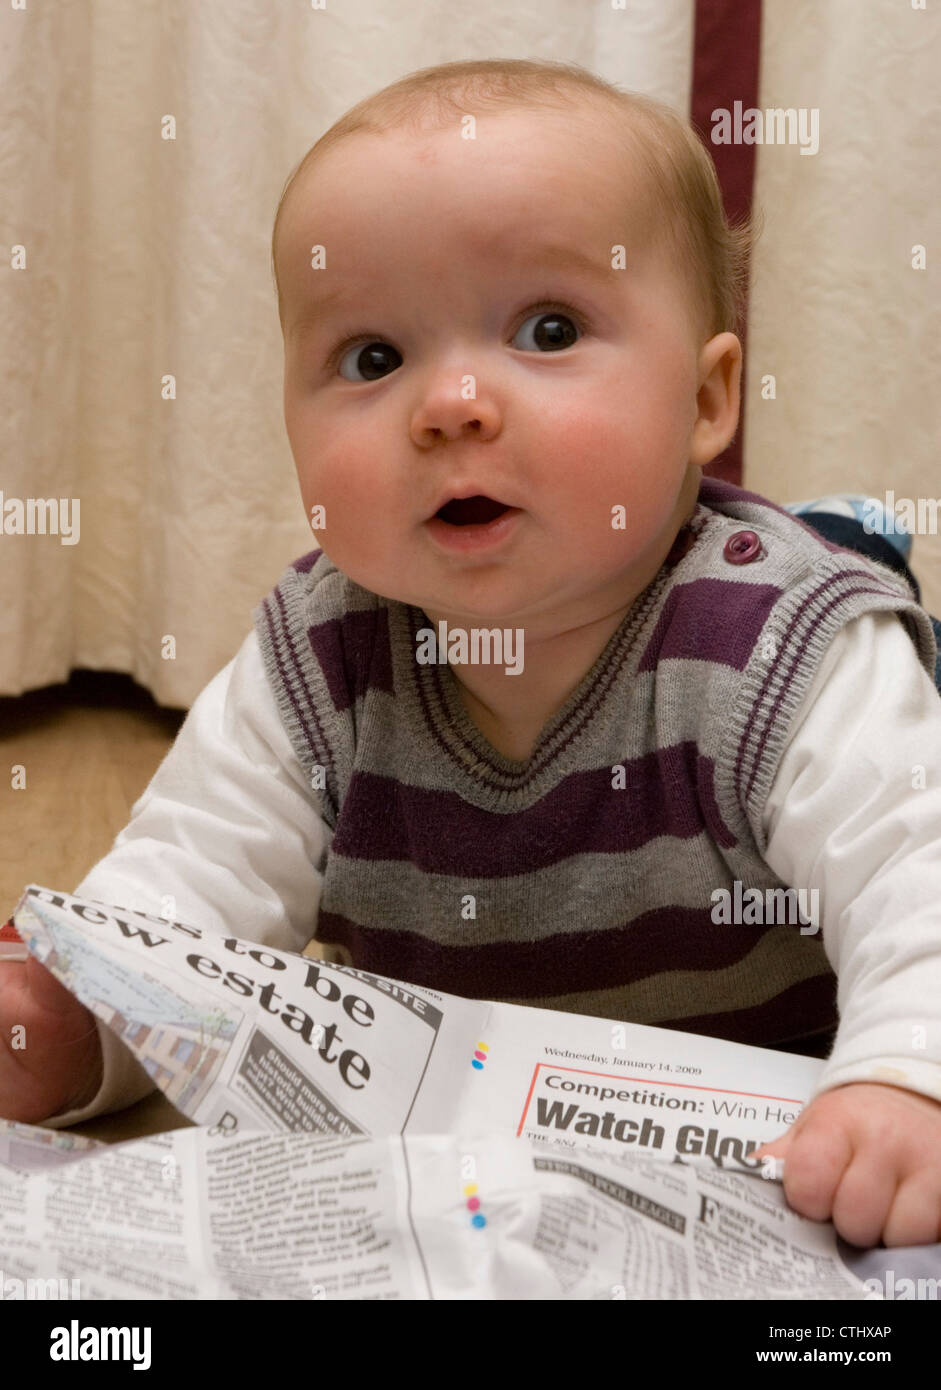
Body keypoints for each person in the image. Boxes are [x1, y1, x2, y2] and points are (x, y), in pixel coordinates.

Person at [4, 59, 941, 1251]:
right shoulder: (320, 656)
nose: (448, 404)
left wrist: (904, 1077)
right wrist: (78, 1021)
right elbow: (187, 898)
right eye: (372, 359)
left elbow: (914, 877)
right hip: (459, 1161)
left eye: (546, 331)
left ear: (706, 401)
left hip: (760, 1151)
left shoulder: (779, 648)